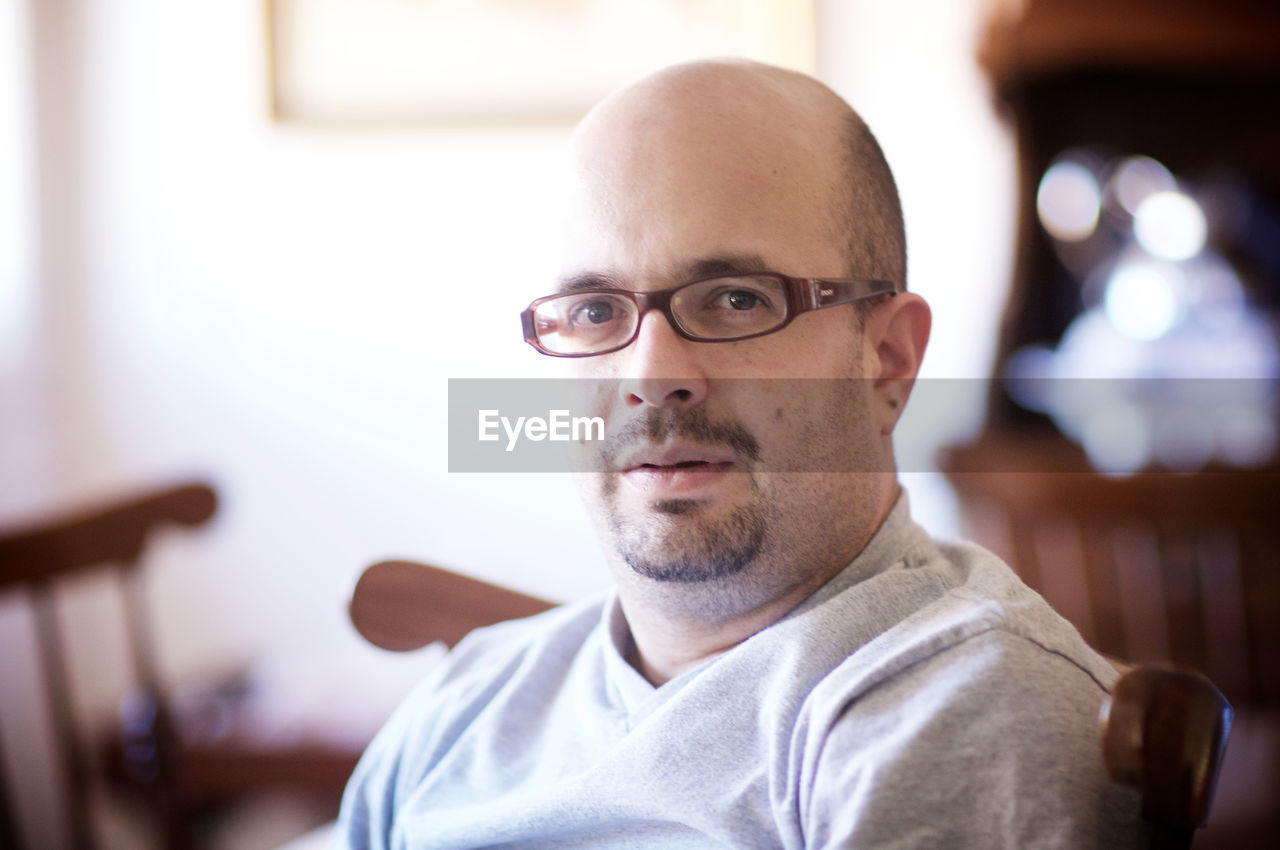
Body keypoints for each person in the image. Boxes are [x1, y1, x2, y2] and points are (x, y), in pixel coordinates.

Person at [337, 59, 1141, 848]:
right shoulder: (471, 703)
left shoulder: (961, 712)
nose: (651, 379)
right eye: (592, 310)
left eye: (736, 299)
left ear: (888, 357)